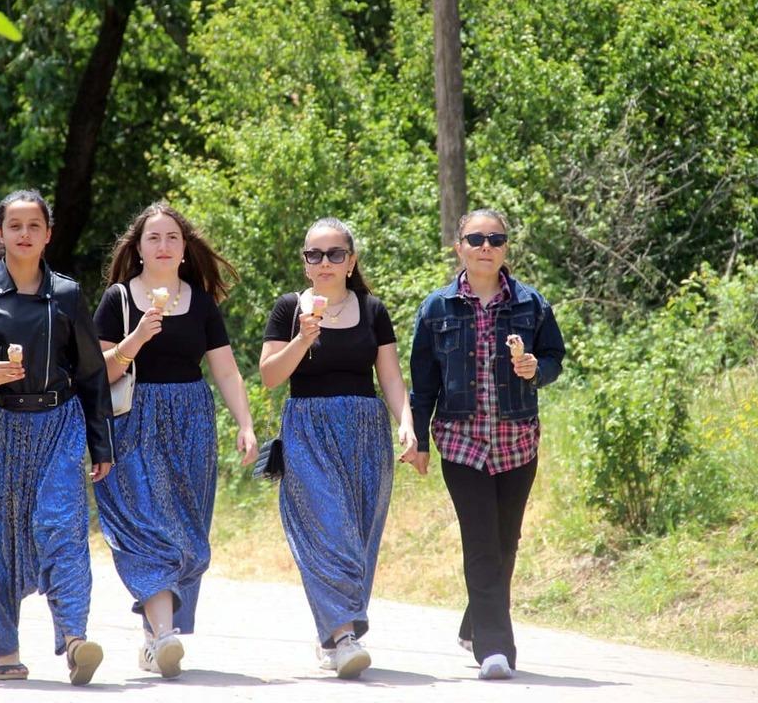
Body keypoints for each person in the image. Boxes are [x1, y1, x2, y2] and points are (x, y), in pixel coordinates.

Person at [0, 189, 113, 686]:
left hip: (58, 425)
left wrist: (101, 446)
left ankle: (76, 638)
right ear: (0, 234)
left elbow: (91, 374)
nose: (23, 234)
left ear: (48, 234)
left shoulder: (66, 295)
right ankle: (5, 649)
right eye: (14, 226)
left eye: (33, 225)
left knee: (63, 526)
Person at [93, 201, 258, 679]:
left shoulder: (200, 301)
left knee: (186, 528)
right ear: (139, 248)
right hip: (133, 421)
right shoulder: (119, 300)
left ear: (184, 249)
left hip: (191, 421)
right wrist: (137, 337)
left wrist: (245, 424)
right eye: (153, 238)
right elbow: (102, 372)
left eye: (172, 238)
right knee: (146, 526)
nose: (163, 246)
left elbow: (225, 369)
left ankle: (155, 637)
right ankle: (165, 635)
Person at [259, 217, 418, 679]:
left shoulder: (372, 309)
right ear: (305, 263)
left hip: (367, 434)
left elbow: (389, 376)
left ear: (350, 261)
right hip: (308, 430)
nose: (324, 262)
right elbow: (270, 376)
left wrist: (406, 423)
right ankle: (345, 637)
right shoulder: (289, 309)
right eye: (314, 255)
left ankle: (334, 633)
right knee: (330, 530)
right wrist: (303, 338)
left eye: (334, 254)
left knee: (361, 535)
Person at [409, 209, 565, 680]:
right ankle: (496, 650)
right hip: (461, 444)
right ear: (458, 246)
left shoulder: (530, 304)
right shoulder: (437, 308)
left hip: (517, 442)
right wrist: (416, 439)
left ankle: (475, 621)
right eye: (475, 238)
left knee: (505, 542)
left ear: (505, 247)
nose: (485, 246)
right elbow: (423, 383)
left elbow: (555, 357)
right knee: (481, 544)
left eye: (494, 238)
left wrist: (536, 368)